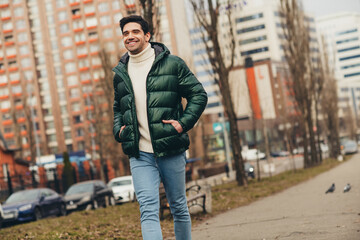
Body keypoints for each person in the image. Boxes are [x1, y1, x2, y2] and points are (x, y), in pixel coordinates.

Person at [112, 15, 207, 240]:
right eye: (126, 33)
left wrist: (183, 124)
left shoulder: (172, 64)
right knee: (147, 210)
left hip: (171, 147)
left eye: (135, 32)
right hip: (140, 153)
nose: (130, 37)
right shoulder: (120, 73)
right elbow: (118, 107)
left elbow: (198, 95)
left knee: (178, 207)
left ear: (147, 36)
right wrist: (120, 131)